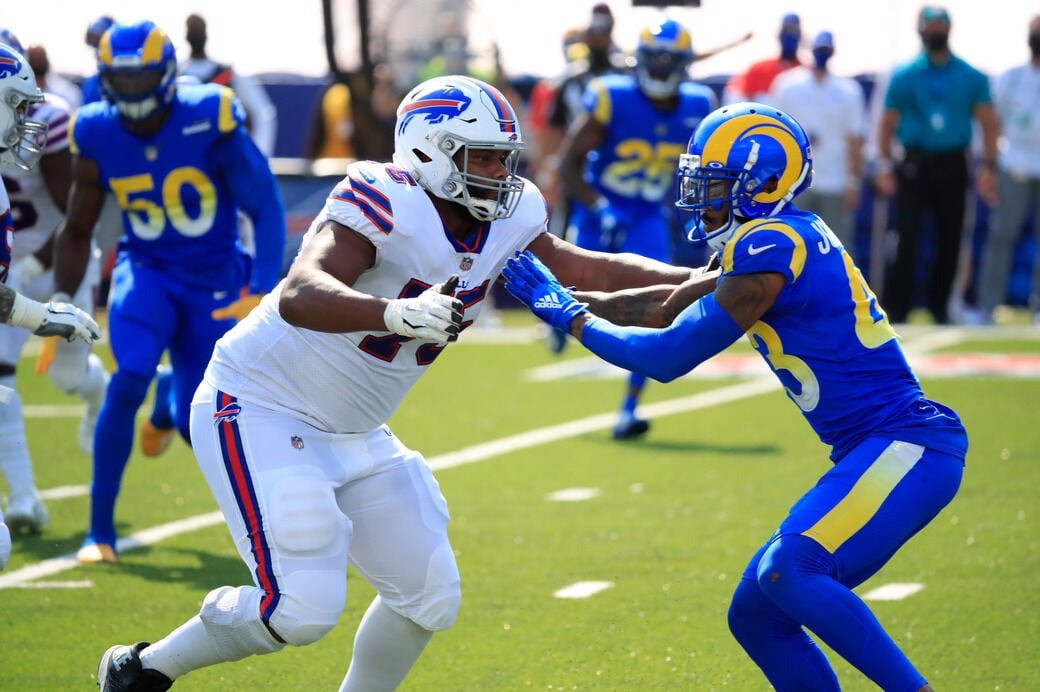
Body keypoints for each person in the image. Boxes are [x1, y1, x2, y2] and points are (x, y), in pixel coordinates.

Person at [94, 73, 713, 692]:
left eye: (506, 157)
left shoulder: (510, 213)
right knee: (298, 611)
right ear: (432, 151)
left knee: (429, 597)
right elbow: (300, 293)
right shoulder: (384, 196)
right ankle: (142, 670)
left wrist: (701, 280)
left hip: (357, 429)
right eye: (487, 158)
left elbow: (593, 270)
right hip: (261, 405)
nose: (503, 172)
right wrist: (391, 313)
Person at [504, 101, 966, 692]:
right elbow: (660, 300)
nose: (701, 196)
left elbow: (665, 356)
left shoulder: (770, 247)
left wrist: (569, 316)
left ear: (764, 182)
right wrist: (568, 296)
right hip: (878, 449)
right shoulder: (772, 238)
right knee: (757, 616)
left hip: (906, 444)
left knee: (789, 573)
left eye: (715, 183)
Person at [51, 20, 287, 565]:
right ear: (105, 80)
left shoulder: (210, 114)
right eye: (121, 82)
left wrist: (260, 287)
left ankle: (169, 405)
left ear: (166, 74)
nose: (132, 96)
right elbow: (78, 226)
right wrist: (64, 297)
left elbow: (265, 204)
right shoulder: (95, 129)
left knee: (195, 420)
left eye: (142, 81)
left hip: (216, 277)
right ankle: (98, 532)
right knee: (128, 375)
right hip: (147, 268)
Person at [557, 16, 716, 439]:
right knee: (569, 297)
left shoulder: (699, 104)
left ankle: (629, 408)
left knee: (660, 310)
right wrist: (599, 206)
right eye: (655, 60)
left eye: (670, 61)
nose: (661, 69)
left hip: (647, 214)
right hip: (600, 211)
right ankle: (553, 321)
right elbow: (567, 163)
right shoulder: (612, 95)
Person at [0, 30, 109, 539]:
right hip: (9, 266)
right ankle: (23, 496)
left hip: (59, 259)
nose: (24, 115)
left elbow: (75, 217)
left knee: (67, 377)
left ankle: (96, 398)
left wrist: (32, 270)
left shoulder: (52, 119)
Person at [874, 5, 998, 324]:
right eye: (931, 27)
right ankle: (898, 307)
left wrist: (988, 165)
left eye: (940, 27)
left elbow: (988, 121)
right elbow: (887, 124)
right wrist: (885, 165)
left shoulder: (970, 75)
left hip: (953, 164)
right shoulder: (905, 74)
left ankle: (941, 305)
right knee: (906, 239)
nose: (936, 33)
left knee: (950, 239)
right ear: (921, 30)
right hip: (914, 164)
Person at [770, 30, 866, 254]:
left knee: (837, 246)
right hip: (794, 181)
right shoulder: (787, 85)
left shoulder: (848, 91)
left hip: (835, 181)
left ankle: (840, 289)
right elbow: (775, 131)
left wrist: (853, 181)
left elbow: (854, 139)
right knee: (789, 243)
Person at [975, 14, 1040, 325]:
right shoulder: (1011, 77)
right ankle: (988, 306)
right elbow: (993, 124)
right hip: (1013, 164)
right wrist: (988, 167)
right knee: (1001, 236)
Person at [179, 14, 278, 157]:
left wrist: (258, 156)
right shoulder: (176, 76)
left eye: (199, 30)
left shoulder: (229, 76)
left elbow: (262, 114)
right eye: (193, 30)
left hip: (224, 158)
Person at [722, 12, 802, 104]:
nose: (790, 36)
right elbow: (736, 93)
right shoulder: (759, 68)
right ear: (779, 35)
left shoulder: (805, 73)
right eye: (786, 31)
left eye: (794, 32)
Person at [25, 43, 83, 110]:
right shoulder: (18, 92)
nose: (37, 61)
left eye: (40, 57)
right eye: (33, 58)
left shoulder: (67, 92)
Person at [81, 15, 115, 105]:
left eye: (99, 41)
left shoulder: (126, 78)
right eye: (93, 41)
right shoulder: (91, 83)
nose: (96, 46)